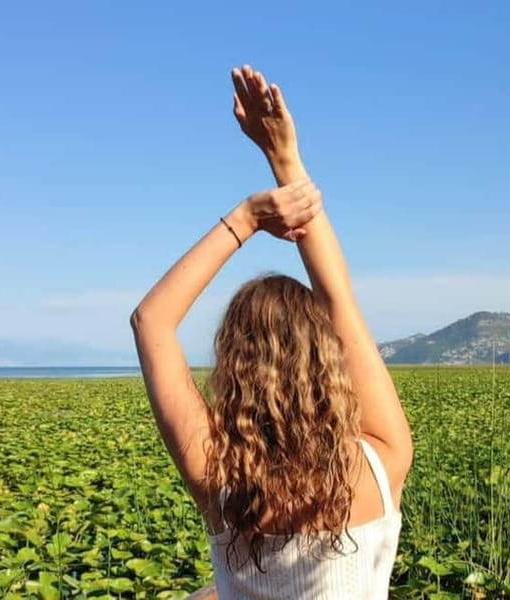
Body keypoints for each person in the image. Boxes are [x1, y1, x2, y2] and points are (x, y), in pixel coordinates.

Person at [130, 65, 413, 600]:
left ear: (235, 368)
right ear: (327, 361)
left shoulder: (219, 478)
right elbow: (338, 300)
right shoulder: (382, 459)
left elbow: (152, 322)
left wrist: (247, 217)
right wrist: (286, 161)